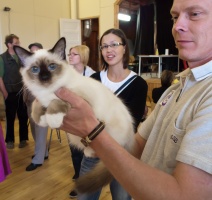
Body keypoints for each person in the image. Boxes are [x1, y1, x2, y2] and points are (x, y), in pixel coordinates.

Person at [55, 0, 212, 199]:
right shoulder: (177, 86)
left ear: (124, 49)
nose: (177, 26)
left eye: (195, 14)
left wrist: (92, 131)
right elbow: (135, 144)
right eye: (174, 17)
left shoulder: (141, 84)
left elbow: (184, 194)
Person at [73, 28, 148, 200]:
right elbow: (84, 118)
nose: (109, 50)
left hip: (122, 155)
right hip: (92, 153)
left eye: (114, 44)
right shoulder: (94, 80)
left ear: (124, 48)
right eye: (104, 46)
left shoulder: (138, 84)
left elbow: (131, 126)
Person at [67, 45, 95, 198]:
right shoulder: (67, 75)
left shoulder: (92, 76)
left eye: (74, 54)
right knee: (74, 153)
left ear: (82, 56)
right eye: (69, 54)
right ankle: (78, 179)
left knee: (85, 153)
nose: (70, 56)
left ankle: (83, 183)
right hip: (71, 119)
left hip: (86, 121)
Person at [0, 34, 28, 149]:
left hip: (22, 91)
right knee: (10, 117)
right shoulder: (2, 58)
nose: (18, 45)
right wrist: (4, 92)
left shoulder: (22, 57)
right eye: (16, 43)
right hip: (10, 92)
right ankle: (10, 140)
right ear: (9, 44)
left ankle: (23, 139)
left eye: (19, 43)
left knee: (23, 116)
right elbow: (0, 78)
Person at [24, 43, 49, 171]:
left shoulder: (45, 65)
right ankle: (43, 152)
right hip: (29, 101)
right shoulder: (29, 64)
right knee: (34, 129)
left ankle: (37, 160)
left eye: (35, 51)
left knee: (40, 130)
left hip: (41, 103)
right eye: (31, 51)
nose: (33, 53)